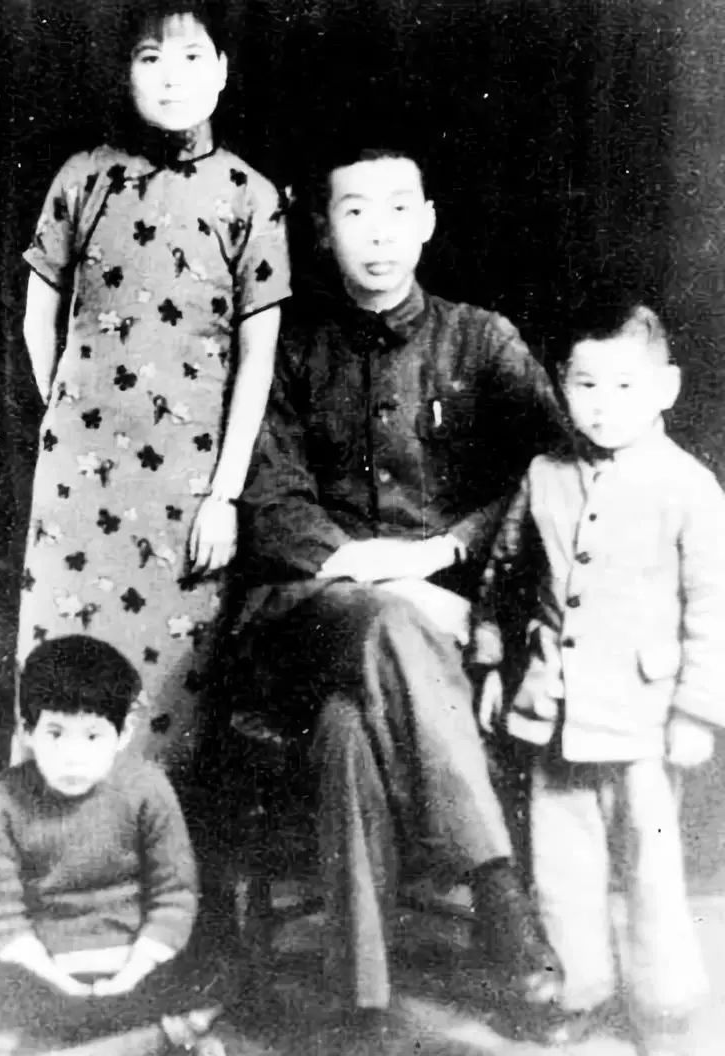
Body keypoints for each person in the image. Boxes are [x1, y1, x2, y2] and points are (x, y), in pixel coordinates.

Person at [224, 138, 568, 1016]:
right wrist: (381, 583)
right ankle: (498, 892)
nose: (378, 233)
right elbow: (270, 499)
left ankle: (363, 1001)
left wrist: (442, 552)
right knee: (383, 622)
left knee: (348, 730)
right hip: (306, 619)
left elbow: (550, 473)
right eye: (354, 212)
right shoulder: (290, 349)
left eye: (397, 210)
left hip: (442, 625)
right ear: (322, 229)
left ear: (427, 223)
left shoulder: (481, 340)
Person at [17, 0, 291, 761]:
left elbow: (258, 359)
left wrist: (224, 495)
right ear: (127, 72)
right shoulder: (84, 178)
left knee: (168, 691)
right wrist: (63, 418)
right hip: (77, 480)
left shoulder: (252, 196)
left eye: (192, 57)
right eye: (150, 57)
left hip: (188, 488)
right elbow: (37, 320)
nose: (173, 78)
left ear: (223, 71)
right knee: (59, 667)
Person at [472, 303, 725, 1054]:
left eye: (625, 386)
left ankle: (664, 1002)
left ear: (666, 388)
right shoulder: (544, 475)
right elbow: (505, 575)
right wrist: (490, 660)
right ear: (561, 384)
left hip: (644, 719)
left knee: (651, 867)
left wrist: (696, 712)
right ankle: (579, 989)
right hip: (553, 710)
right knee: (562, 866)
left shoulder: (688, 488)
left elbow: (714, 608)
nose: (604, 405)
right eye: (586, 386)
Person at [0, 635, 222, 1053]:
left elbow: (174, 895)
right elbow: (1, 912)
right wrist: (52, 973)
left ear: (123, 734)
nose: (72, 755)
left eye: (92, 736)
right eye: (56, 733)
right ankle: (154, 1038)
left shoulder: (148, 788)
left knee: (218, 966)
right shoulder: (2, 801)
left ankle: (111, 1040)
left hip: (131, 957)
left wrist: (134, 968)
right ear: (28, 731)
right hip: (46, 965)